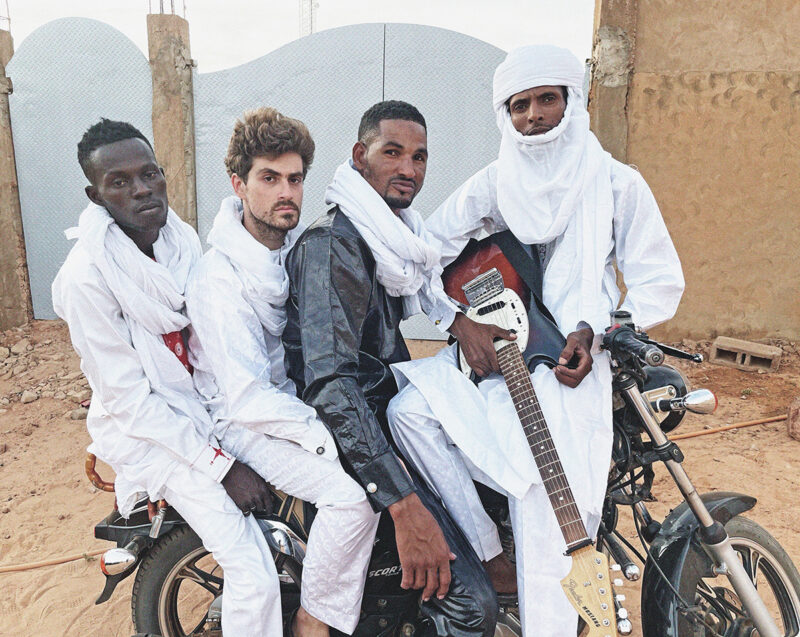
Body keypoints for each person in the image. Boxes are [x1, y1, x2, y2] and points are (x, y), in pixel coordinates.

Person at [387, 45, 685, 636]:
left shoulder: (617, 184)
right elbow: (425, 258)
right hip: (499, 358)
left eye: (547, 99)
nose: (534, 117)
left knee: (548, 518)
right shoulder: (495, 183)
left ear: (573, 103)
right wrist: (458, 322)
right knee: (407, 410)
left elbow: (659, 280)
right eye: (520, 105)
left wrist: (599, 331)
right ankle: (488, 555)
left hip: (574, 370)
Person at [282, 100, 501, 637]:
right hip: (351, 431)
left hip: (380, 409)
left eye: (420, 157)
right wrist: (404, 505)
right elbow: (332, 386)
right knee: (471, 607)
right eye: (393, 153)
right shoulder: (334, 245)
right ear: (360, 156)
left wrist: (462, 326)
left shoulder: (393, 240)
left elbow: (426, 295)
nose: (409, 169)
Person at [52, 119, 279, 635]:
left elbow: (205, 341)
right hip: (152, 436)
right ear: (95, 193)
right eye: (120, 182)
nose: (142, 189)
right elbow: (132, 404)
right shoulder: (88, 278)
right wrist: (223, 468)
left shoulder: (178, 238)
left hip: (198, 408)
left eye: (149, 173)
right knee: (251, 573)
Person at [185, 107, 379, 637]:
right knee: (354, 498)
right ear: (239, 185)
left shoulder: (296, 248)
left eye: (294, 178)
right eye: (268, 179)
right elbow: (247, 397)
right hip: (243, 422)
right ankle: (312, 621)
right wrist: (329, 435)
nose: (285, 192)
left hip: (287, 403)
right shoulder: (219, 279)